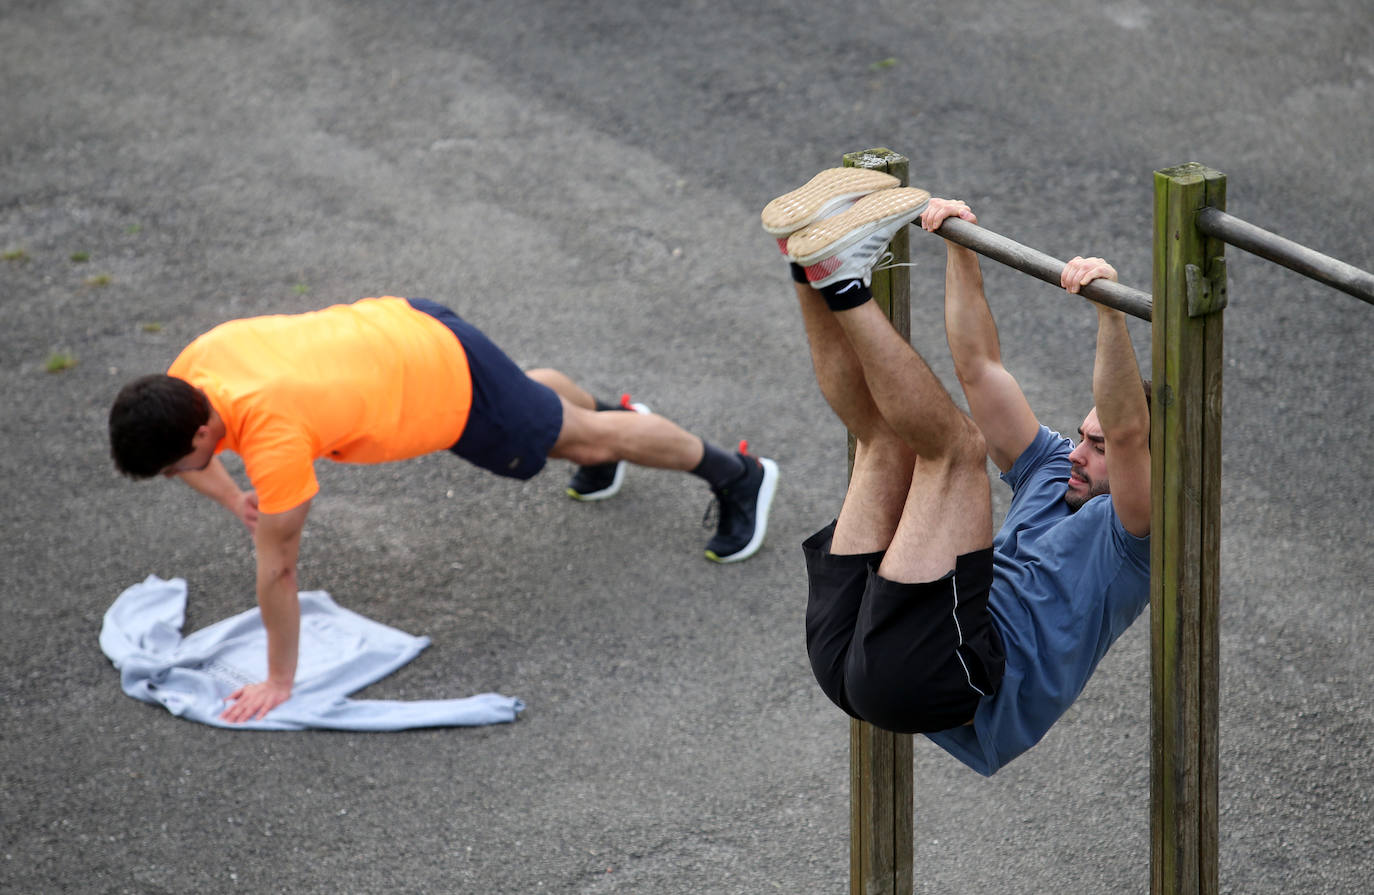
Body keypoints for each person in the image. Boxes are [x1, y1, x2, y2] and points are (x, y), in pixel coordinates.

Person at [108, 296, 778, 723]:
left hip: (445, 387)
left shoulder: (272, 437)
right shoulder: (190, 374)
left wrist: (279, 680)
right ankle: (597, 426)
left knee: (573, 435)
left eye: (179, 467)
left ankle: (737, 472)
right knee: (534, 406)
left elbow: (279, 571)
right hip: (412, 322)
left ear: (203, 434)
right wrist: (234, 498)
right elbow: (206, 471)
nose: (181, 477)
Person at [762, 168, 1150, 775]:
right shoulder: (1051, 469)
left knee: (955, 452)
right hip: (855, 649)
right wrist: (960, 249)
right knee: (885, 440)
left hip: (940, 680)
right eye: (1081, 435)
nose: (1078, 451)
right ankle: (805, 264)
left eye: (1096, 447)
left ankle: (840, 282)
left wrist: (1111, 316)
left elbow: (1130, 433)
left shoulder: (1137, 538)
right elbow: (979, 368)